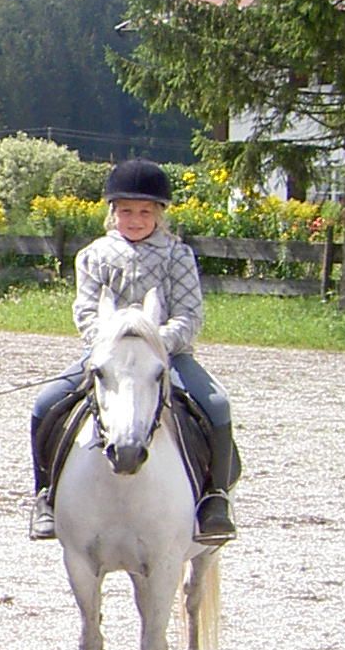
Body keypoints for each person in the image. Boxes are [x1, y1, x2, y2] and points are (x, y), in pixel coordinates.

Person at [29, 159, 236, 543]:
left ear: (159, 214)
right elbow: (86, 312)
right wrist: (109, 345)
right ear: (113, 212)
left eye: (145, 211)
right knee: (46, 402)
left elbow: (189, 314)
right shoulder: (93, 256)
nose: (135, 219)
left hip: (167, 357)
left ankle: (214, 498)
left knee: (217, 404)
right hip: (106, 357)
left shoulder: (178, 255)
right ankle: (46, 495)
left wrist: (154, 343)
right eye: (126, 211)